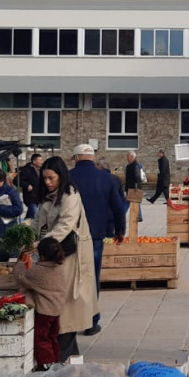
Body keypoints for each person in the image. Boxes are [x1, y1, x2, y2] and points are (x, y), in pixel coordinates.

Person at [33, 155, 96, 362]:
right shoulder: (50, 197)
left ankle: (65, 357)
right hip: (54, 257)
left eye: (51, 178)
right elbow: (39, 222)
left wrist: (43, 244)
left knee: (66, 306)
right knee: (58, 307)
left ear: (61, 176)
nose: (48, 182)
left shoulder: (70, 196)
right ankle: (66, 357)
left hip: (70, 258)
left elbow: (64, 226)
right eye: (45, 178)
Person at [71, 143, 126, 336]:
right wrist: (120, 230)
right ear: (93, 158)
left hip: (70, 235)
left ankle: (69, 319)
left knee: (69, 276)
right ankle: (91, 321)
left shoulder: (68, 177)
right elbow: (118, 207)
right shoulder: (107, 178)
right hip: (95, 234)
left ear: (76, 158)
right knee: (92, 277)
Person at [14, 235, 69, 369]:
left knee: (41, 339)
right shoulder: (60, 267)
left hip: (45, 312)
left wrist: (20, 261)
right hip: (57, 310)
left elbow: (20, 276)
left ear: (42, 256)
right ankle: (56, 362)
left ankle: (46, 364)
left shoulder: (39, 271)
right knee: (53, 338)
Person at [18, 153, 44, 219]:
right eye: (40, 160)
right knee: (35, 213)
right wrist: (27, 185)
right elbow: (17, 180)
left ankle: (25, 224)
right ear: (34, 161)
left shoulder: (42, 170)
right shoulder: (26, 170)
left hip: (40, 197)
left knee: (32, 215)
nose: (42, 162)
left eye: (42, 160)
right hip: (30, 197)